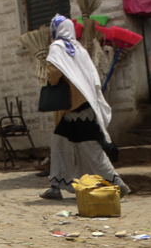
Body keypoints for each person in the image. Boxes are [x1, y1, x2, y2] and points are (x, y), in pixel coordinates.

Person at [41, 15, 129, 199]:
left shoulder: (56, 48)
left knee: (87, 148)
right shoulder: (79, 48)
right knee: (64, 143)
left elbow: (54, 74)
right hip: (87, 102)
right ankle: (56, 186)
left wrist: (48, 72)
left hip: (73, 107)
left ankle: (116, 185)